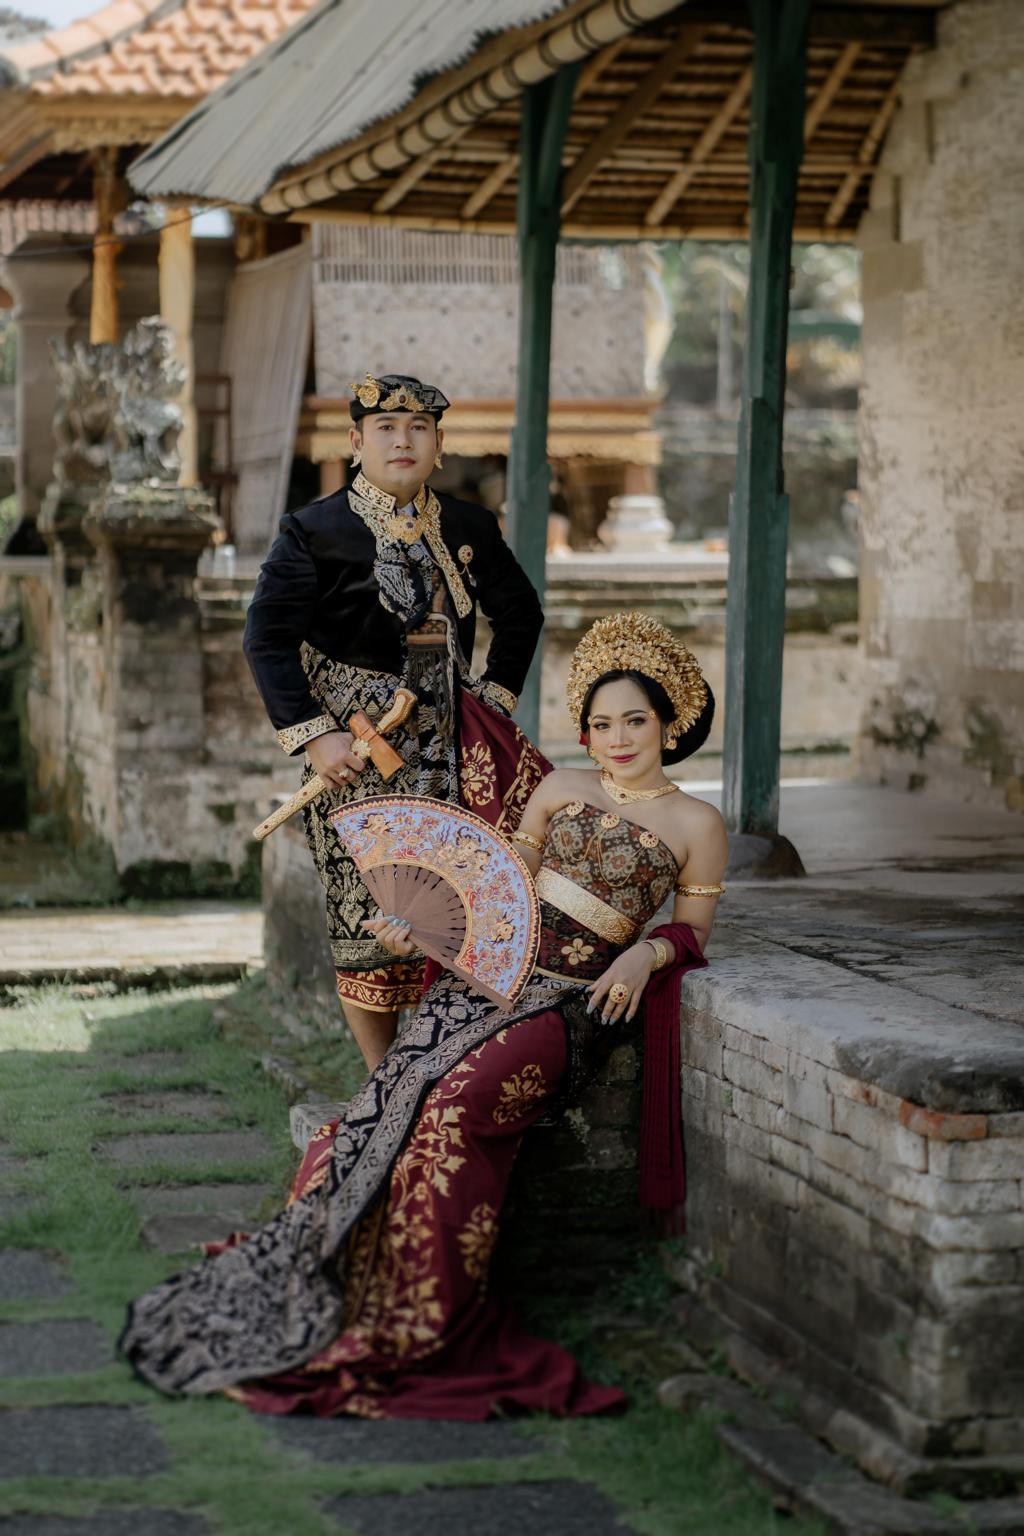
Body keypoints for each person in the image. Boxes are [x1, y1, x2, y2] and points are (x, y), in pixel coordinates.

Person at [121, 613, 728, 1420]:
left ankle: (423, 1319)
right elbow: (493, 890)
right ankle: (347, 1287)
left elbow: (691, 933)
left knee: (454, 1109)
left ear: (669, 725)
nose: (617, 739)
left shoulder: (698, 824)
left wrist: (642, 956)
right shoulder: (558, 790)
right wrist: (421, 928)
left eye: (635, 722)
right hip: (482, 987)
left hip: (570, 1007)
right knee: (378, 1113)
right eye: (602, 723)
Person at [243, 373, 544, 1070]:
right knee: (368, 919)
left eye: (418, 429)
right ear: (356, 442)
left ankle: (442, 1067)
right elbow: (266, 639)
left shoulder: (469, 526)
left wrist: (494, 699)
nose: (402, 441)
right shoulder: (312, 531)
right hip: (358, 753)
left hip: (456, 750)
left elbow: (521, 614)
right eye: (385, 429)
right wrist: (316, 735)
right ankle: (383, 1081)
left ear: (438, 444)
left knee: (457, 907)